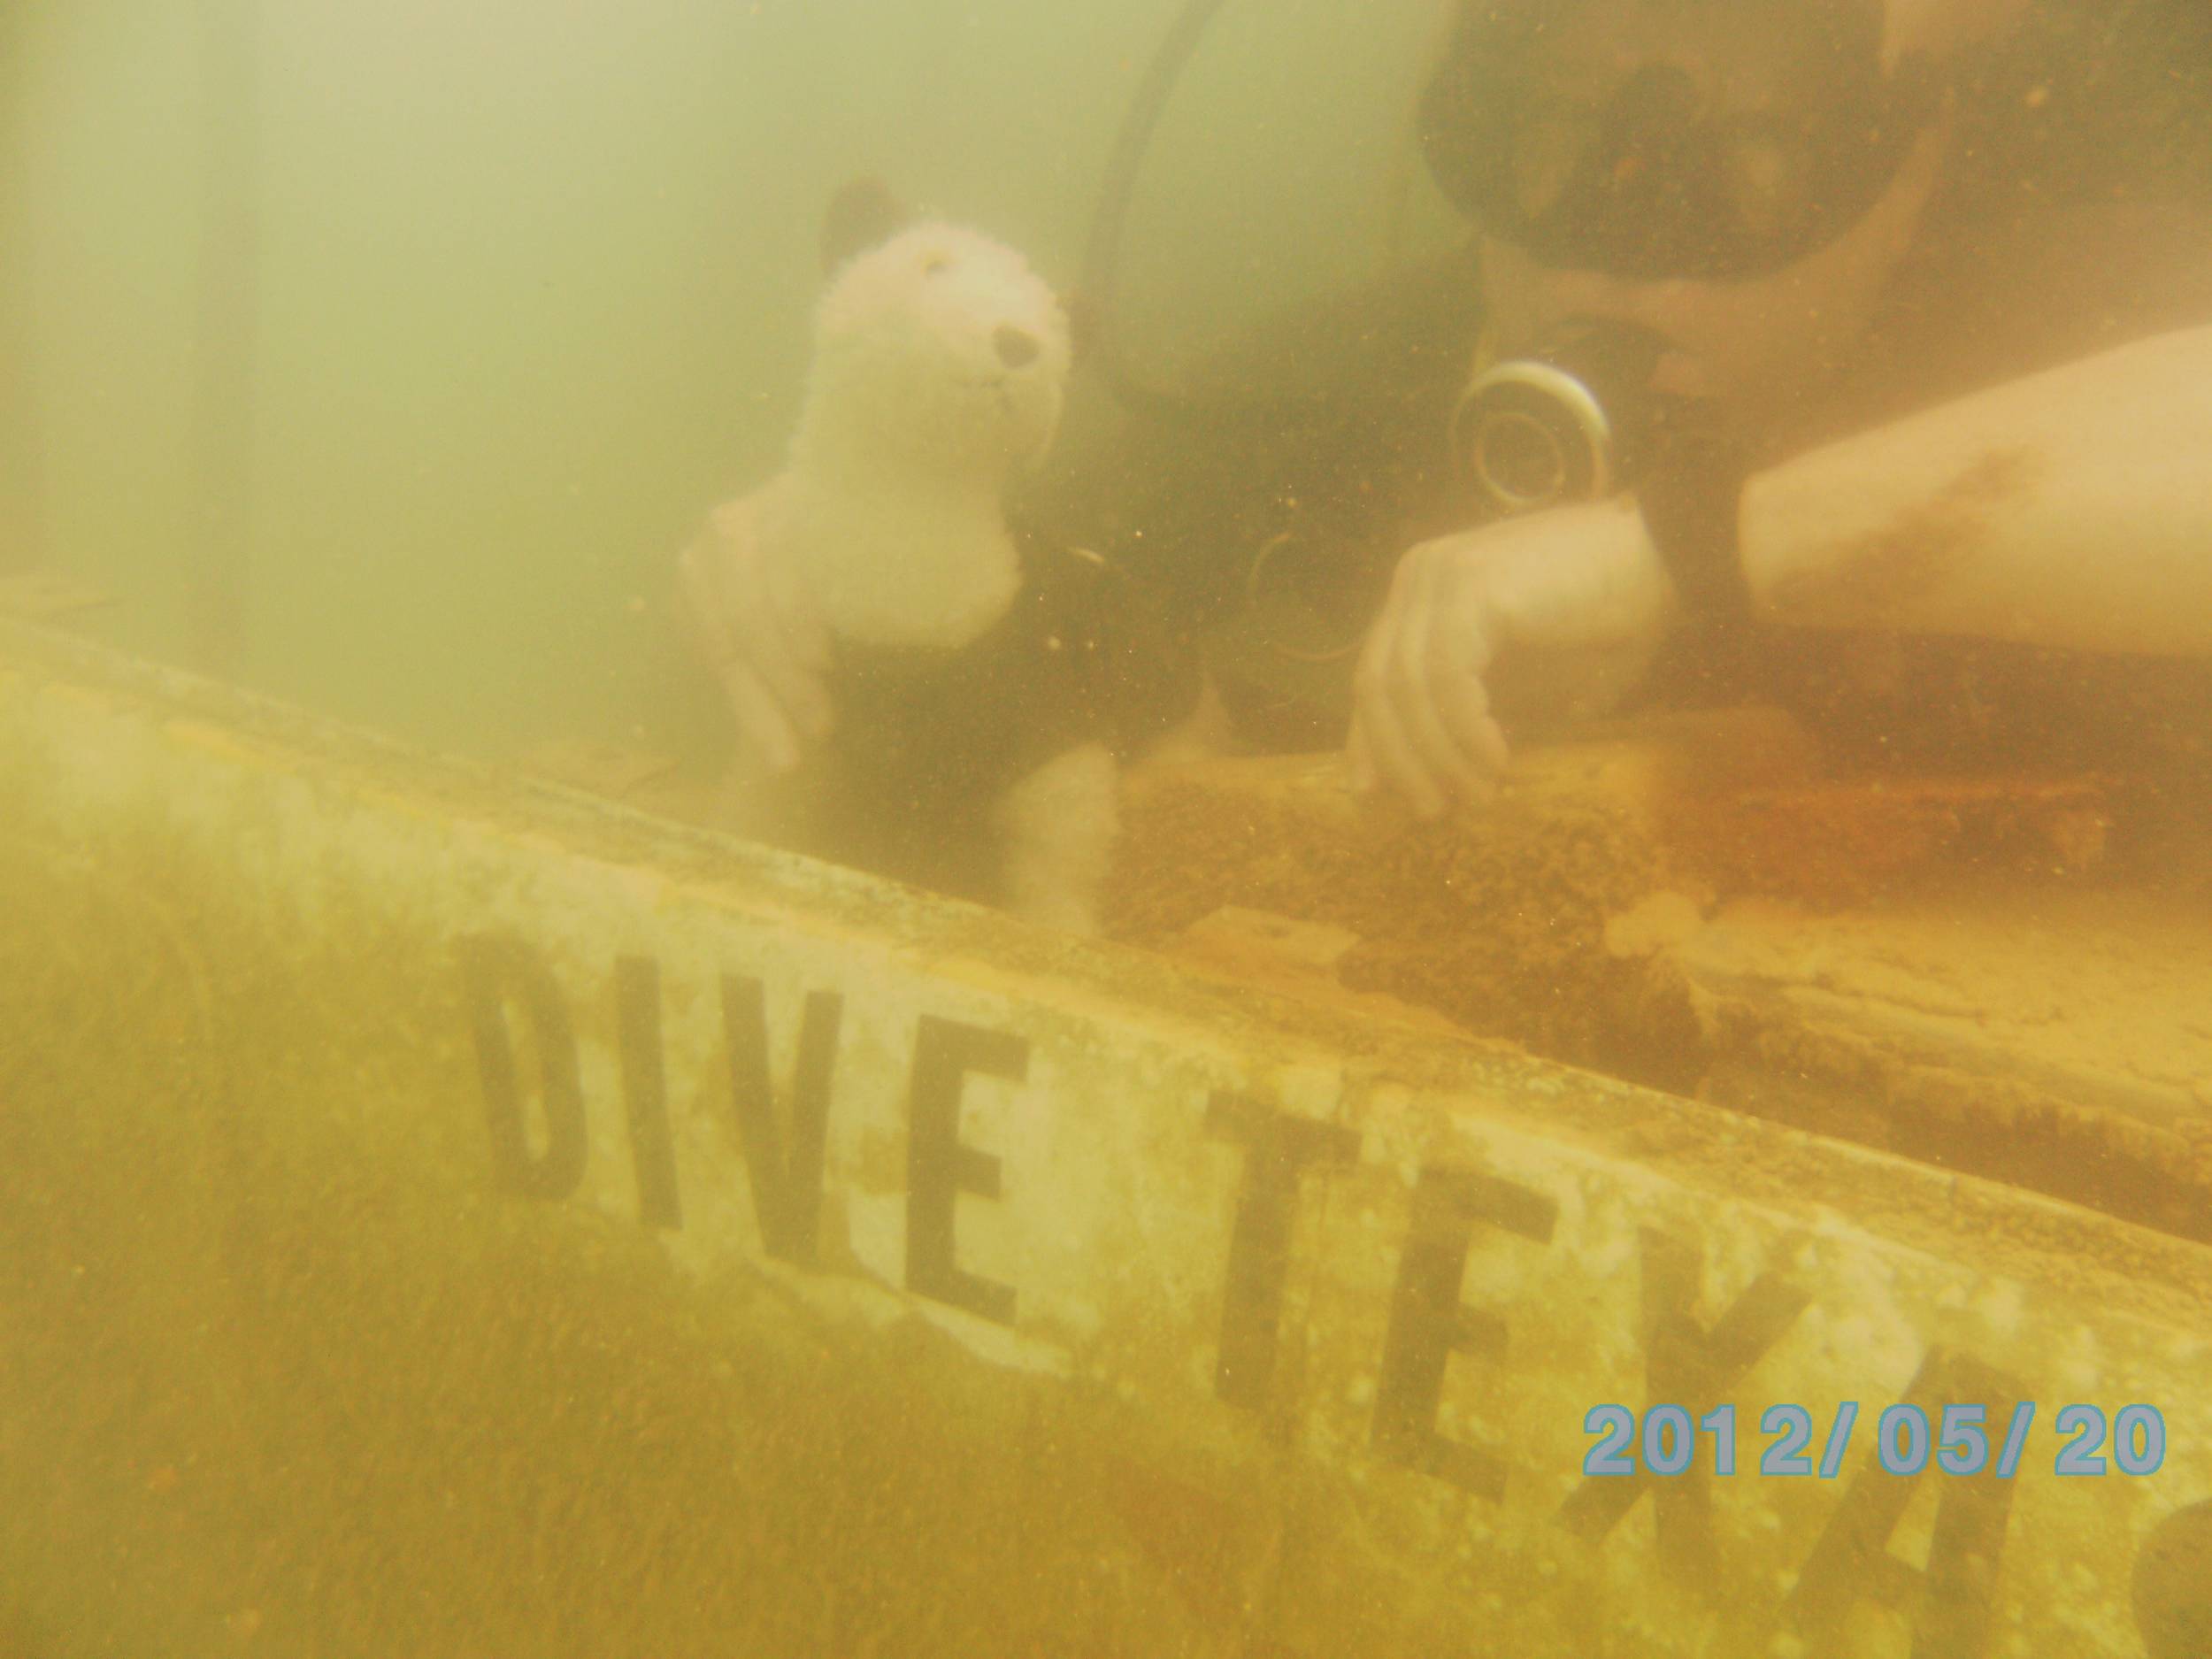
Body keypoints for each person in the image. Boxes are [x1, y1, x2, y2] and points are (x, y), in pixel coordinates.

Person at [679, 0, 2212, 818]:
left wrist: (1690, 543)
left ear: (1926, 166)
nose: (1619, 238)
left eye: (1763, 150)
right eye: (1544, 130)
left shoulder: (2075, 347)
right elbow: (1082, 716)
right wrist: (874, 576)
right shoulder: (1287, 421)